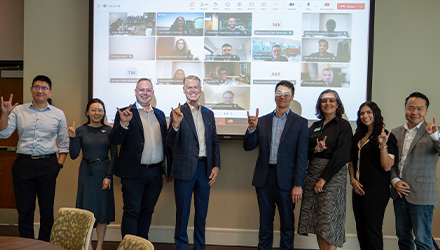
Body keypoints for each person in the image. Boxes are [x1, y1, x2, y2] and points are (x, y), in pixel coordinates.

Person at [0, 75, 69, 241]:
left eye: (44, 88)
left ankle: (44, 245)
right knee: (25, 210)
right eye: (36, 87)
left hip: (48, 164)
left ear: (49, 92)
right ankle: (26, 245)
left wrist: (58, 166)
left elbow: (64, 143)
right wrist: (4, 115)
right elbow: (4, 133)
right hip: (23, 164)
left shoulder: (58, 114)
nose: (40, 90)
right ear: (31, 90)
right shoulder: (18, 110)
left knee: (46, 210)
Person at [243, 80, 309, 250]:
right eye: (279, 93)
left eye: (286, 94)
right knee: (265, 223)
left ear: (292, 98)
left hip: (288, 181)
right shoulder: (262, 121)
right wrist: (251, 129)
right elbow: (248, 147)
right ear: (274, 96)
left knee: (287, 224)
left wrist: (298, 185)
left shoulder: (301, 123)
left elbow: (302, 157)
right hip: (264, 179)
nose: (282, 97)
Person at [110, 78, 172, 240]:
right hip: (133, 174)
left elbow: (166, 144)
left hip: (155, 173)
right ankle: (130, 246)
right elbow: (115, 140)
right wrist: (123, 124)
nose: (145, 93)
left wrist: (168, 169)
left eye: (148, 90)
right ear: (136, 92)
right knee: (132, 211)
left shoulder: (159, 114)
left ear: (152, 93)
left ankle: (142, 244)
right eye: (141, 90)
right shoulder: (125, 112)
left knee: (147, 211)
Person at [166, 75, 220, 250]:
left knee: (201, 215)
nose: (193, 90)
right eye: (189, 88)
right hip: (184, 170)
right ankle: (181, 247)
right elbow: (170, 143)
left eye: (196, 87)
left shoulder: (209, 114)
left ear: (200, 89)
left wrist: (216, 165)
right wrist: (175, 125)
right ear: (184, 90)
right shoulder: (178, 112)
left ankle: (199, 247)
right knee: (182, 214)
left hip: (205, 170)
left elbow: (214, 143)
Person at [297, 89, 352, 250]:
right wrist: (316, 150)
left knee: (329, 221)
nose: (327, 103)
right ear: (320, 105)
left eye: (331, 100)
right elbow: (303, 151)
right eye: (324, 100)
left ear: (337, 104)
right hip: (312, 173)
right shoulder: (315, 126)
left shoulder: (343, 125)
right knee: (317, 221)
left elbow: (342, 155)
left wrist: (324, 179)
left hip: (332, 176)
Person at [390, 92, 440, 250]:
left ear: (426, 110)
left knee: (423, 240)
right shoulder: (395, 132)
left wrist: (435, 136)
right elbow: (390, 162)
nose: (414, 112)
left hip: (422, 195)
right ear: (405, 109)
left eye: (420, 108)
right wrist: (394, 181)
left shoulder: (432, 131)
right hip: (399, 194)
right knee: (403, 238)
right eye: (411, 108)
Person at [66, 98, 116, 250]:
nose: (97, 113)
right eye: (93, 110)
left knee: (102, 210)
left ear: (104, 112)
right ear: (87, 112)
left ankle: (99, 246)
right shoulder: (80, 130)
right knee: (86, 208)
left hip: (104, 171)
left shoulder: (109, 130)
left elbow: (114, 155)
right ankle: (88, 245)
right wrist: (72, 137)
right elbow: (74, 155)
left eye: (100, 110)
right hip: (86, 171)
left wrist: (108, 176)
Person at [348, 101, 397, 250]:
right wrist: (352, 180)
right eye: (362, 113)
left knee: (372, 231)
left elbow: (387, 166)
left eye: (369, 112)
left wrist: (382, 145)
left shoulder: (387, 136)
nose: (365, 116)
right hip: (358, 188)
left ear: (376, 114)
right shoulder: (358, 135)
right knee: (361, 231)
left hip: (376, 190)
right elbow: (352, 161)